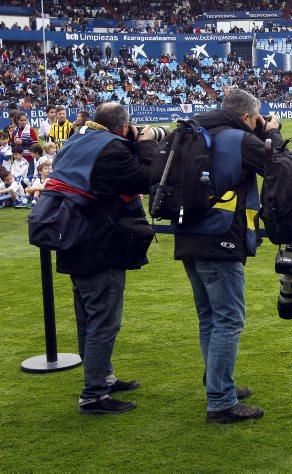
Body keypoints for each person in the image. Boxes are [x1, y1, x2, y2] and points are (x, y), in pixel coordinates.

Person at [174, 88, 282, 423]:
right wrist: (272, 133)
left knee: (209, 317)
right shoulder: (239, 138)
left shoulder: (194, 130)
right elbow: (282, 167)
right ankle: (220, 401)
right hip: (219, 237)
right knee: (228, 319)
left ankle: (216, 382)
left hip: (188, 232)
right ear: (248, 117)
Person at [53, 102, 159, 414]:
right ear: (123, 127)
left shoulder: (77, 141)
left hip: (71, 238)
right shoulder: (111, 151)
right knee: (103, 320)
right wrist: (147, 143)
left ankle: (103, 377)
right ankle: (94, 395)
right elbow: (148, 178)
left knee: (88, 317)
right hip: (99, 246)